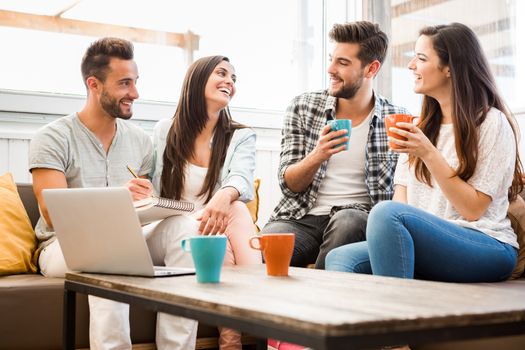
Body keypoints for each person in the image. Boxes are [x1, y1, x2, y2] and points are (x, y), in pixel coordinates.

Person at [29, 38, 196, 350]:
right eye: (124, 83)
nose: (135, 93)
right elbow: (53, 212)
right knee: (110, 246)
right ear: (94, 85)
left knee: (185, 230)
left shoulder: (140, 142)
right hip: (62, 246)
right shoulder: (52, 137)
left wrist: (148, 202)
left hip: (128, 235)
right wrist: (119, 195)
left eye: (135, 82)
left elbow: (139, 209)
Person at [326, 22, 522, 284]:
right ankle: (372, 320)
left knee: (385, 213)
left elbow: (473, 210)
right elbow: (402, 202)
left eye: (421, 58)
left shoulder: (490, 123)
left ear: (450, 68)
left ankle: (400, 319)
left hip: (487, 244)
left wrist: (429, 154)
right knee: (340, 258)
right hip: (428, 244)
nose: (411, 66)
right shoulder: (419, 127)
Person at [262, 21, 408, 269]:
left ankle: (318, 300)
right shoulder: (303, 107)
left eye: (342, 63)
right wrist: (318, 155)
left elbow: (402, 191)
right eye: (332, 59)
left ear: (371, 69)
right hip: (303, 217)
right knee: (272, 239)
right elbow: (289, 185)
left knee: (348, 223)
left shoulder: (395, 118)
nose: (330, 69)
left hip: (357, 216)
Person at [150, 55, 262, 350]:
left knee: (233, 211)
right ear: (198, 79)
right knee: (215, 227)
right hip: (177, 231)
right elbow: (152, 186)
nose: (230, 82)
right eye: (222, 73)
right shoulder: (165, 131)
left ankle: (232, 341)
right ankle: (252, 332)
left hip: (216, 230)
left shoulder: (240, 135)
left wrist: (223, 196)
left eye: (234, 78)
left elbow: (241, 177)